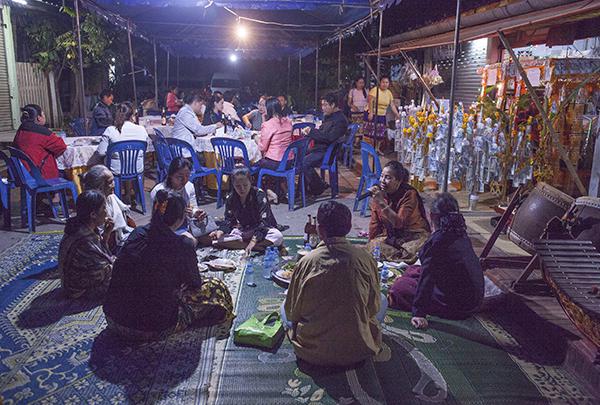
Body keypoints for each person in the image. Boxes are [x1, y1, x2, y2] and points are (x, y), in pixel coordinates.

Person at [103, 190, 235, 341]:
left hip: (114, 319)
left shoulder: (137, 233)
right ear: (180, 219)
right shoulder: (183, 245)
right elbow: (195, 283)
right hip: (149, 328)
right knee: (216, 287)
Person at [283, 201, 383, 367]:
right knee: (383, 299)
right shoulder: (365, 258)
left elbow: (292, 311)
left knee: (283, 308)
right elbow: (374, 307)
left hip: (312, 350)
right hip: (358, 349)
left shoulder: (307, 261)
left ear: (319, 229)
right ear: (349, 227)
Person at [388, 193, 484, 329]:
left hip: (456, 306)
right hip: (473, 300)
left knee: (400, 288)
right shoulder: (460, 232)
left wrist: (419, 312)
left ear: (432, 216)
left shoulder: (438, 241)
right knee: (415, 271)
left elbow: (428, 278)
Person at [210, 167, 283, 256]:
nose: (242, 189)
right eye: (238, 186)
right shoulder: (231, 198)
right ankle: (252, 246)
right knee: (216, 240)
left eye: (245, 185)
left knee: (277, 236)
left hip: (261, 229)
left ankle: (244, 245)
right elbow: (229, 220)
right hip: (243, 230)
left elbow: (264, 222)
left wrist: (253, 241)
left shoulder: (259, 195)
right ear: (233, 184)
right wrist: (221, 231)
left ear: (250, 182)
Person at [367, 161, 431, 262]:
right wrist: (371, 242)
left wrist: (381, 202)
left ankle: (397, 259)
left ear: (399, 181)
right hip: (391, 236)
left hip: (412, 235)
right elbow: (374, 223)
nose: (382, 181)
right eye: (381, 176)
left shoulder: (409, 194)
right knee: (374, 247)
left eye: (388, 178)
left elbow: (399, 223)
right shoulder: (379, 193)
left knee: (416, 250)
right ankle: (397, 258)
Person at [58, 190, 115, 299]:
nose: (106, 212)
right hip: (80, 292)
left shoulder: (79, 226)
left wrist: (106, 236)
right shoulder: (86, 239)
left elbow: (100, 257)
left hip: (71, 285)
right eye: (103, 208)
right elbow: (106, 268)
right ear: (93, 214)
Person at [150, 158, 209, 243]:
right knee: (190, 242)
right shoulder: (160, 191)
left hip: (186, 225)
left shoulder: (189, 187)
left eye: (187, 176)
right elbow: (156, 219)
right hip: (167, 228)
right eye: (180, 177)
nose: (184, 180)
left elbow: (193, 207)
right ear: (170, 175)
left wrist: (196, 213)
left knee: (210, 237)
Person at [301, 93, 348, 196]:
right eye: (322, 105)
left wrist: (311, 132)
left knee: (304, 162)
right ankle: (303, 188)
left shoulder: (340, 120)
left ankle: (318, 186)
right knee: (298, 156)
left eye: (326, 105)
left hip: (327, 152)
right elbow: (324, 133)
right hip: (321, 148)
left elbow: (329, 137)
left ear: (333, 105)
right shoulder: (329, 116)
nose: (323, 108)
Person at [82, 165, 134, 251]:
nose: (114, 184)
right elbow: (97, 242)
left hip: (110, 240)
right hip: (104, 245)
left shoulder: (111, 197)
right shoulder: (92, 204)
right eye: (110, 182)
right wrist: (107, 234)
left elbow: (126, 218)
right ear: (100, 187)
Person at [13, 104, 67, 180]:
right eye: (43, 114)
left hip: (23, 173)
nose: (44, 116)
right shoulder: (42, 132)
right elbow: (61, 147)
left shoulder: (21, 130)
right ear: (39, 118)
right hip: (40, 176)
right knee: (66, 172)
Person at [95, 102, 149, 175]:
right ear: (132, 116)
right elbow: (145, 149)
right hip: (137, 168)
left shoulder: (110, 130)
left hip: (116, 170)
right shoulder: (142, 129)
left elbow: (100, 152)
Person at [257, 98, 293, 201]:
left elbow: (262, 147)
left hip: (275, 162)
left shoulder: (268, 125)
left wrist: (256, 138)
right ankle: (277, 190)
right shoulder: (288, 121)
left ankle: (268, 192)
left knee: (254, 167)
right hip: (289, 162)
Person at [172, 92, 222, 158]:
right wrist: (215, 126)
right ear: (196, 103)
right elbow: (199, 130)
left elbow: (197, 130)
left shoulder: (187, 111)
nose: (201, 107)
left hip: (183, 148)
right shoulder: (186, 113)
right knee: (209, 158)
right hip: (184, 152)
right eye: (201, 105)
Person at [365, 76, 400, 140]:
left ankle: (377, 149)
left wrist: (397, 114)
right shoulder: (375, 90)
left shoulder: (389, 93)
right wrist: (371, 112)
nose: (385, 84)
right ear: (380, 83)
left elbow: (392, 105)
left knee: (380, 135)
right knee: (370, 134)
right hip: (373, 114)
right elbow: (370, 101)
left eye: (387, 82)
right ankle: (369, 149)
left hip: (382, 115)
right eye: (383, 82)